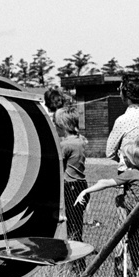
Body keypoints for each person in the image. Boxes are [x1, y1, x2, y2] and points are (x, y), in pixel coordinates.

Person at [76, 140, 139, 277]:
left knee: (136, 250)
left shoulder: (131, 174)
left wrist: (85, 191)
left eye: (124, 157)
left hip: (137, 220)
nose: (123, 159)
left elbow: (106, 183)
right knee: (138, 250)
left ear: (130, 159)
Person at [55, 106, 88, 249]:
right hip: (81, 185)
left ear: (63, 126)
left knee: (70, 225)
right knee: (77, 223)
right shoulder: (79, 140)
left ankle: (75, 258)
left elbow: (57, 166)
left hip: (70, 186)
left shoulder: (65, 144)